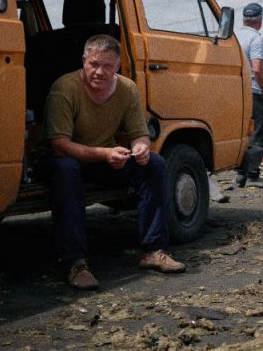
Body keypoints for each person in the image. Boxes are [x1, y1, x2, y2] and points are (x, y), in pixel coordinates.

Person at [45, 34, 186, 290]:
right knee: (65, 169)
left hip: (103, 158)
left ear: (117, 67)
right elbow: (59, 144)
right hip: (69, 160)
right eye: (94, 64)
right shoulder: (64, 88)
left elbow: (139, 133)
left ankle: (153, 250)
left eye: (108, 66)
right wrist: (104, 154)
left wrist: (141, 148)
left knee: (154, 163)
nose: (99, 72)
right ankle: (73, 262)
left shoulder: (127, 88)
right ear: (84, 61)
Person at [234, 2, 263, 190]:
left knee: (244, 132)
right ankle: (253, 174)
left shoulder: (234, 37)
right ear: (259, 20)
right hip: (255, 92)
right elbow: (258, 69)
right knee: (259, 132)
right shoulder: (255, 39)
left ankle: (240, 175)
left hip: (238, 92)